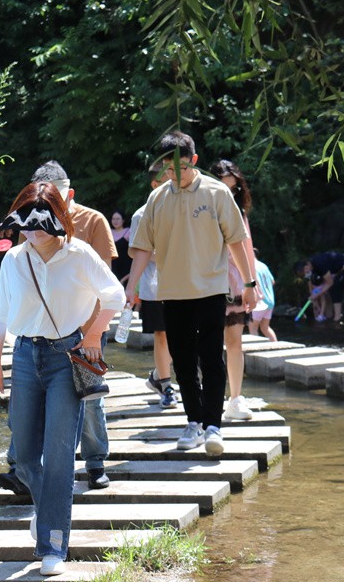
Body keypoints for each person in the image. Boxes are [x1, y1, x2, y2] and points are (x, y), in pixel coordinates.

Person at [0, 182, 124, 576]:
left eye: (41, 224)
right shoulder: (14, 260)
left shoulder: (79, 255)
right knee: (25, 456)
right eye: (27, 225)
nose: (34, 232)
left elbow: (115, 295)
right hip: (24, 357)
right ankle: (47, 512)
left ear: (59, 219)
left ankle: (53, 545)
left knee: (60, 453)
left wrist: (94, 334)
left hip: (66, 358)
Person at [126, 131, 257, 456]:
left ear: (194, 161)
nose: (175, 174)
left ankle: (213, 426)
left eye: (181, 168)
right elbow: (142, 247)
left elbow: (237, 241)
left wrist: (249, 283)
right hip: (172, 292)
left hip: (211, 289)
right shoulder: (157, 199)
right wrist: (132, 287)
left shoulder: (216, 192)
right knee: (183, 361)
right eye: (168, 169)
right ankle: (193, 422)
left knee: (210, 356)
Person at [0, 161, 118, 493]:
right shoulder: (31, 221)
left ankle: (94, 461)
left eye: (59, 196)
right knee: (28, 407)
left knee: (89, 398)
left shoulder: (92, 221)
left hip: (84, 330)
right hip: (38, 335)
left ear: (69, 193)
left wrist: (92, 334)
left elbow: (105, 283)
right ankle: (20, 467)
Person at [209, 160, 259, 421]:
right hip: (207, 282)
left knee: (235, 341)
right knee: (208, 343)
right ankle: (210, 398)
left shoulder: (239, 213)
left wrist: (253, 284)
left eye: (234, 189)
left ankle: (235, 398)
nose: (229, 195)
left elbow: (247, 250)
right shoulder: (201, 211)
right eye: (224, 189)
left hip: (236, 282)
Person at [128, 165, 179, 408]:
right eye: (165, 181)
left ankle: (158, 375)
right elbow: (135, 251)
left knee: (183, 336)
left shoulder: (183, 210)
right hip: (154, 285)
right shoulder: (141, 215)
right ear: (154, 185)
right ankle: (166, 385)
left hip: (185, 285)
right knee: (162, 335)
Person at [295, 251, 344, 323]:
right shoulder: (314, 268)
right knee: (333, 288)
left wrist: (316, 295)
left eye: (304, 274)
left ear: (306, 267)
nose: (305, 276)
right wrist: (315, 295)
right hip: (341, 269)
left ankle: (337, 318)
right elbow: (323, 282)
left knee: (335, 287)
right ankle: (334, 316)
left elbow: (330, 283)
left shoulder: (319, 263)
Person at [252, 248, 277, 341]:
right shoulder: (263, 265)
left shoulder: (251, 266)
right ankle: (276, 346)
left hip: (260, 302)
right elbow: (272, 281)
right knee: (265, 328)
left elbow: (255, 282)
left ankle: (255, 348)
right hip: (270, 301)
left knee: (253, 328)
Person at [110, 210, 132, 284]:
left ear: (123, 220)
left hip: (126, 268)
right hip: (111, 267)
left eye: (118, 219)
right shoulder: (108, 232)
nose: (115, 221)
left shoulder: (129, 232)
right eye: (113, 219)